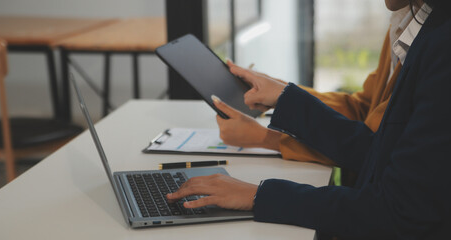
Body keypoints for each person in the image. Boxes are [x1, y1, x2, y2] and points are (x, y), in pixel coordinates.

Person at [167, 0, 451, 238]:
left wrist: (259, 186)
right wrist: (283, 94)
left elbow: (399, 207)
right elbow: (377, 137)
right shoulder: (421, 23)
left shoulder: (437, 44)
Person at [213, 5, 419, 166]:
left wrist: (267, 138)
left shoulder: (426, 43)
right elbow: (362, 108)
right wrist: (279, 89)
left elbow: (370, 151)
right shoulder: (402, 19)